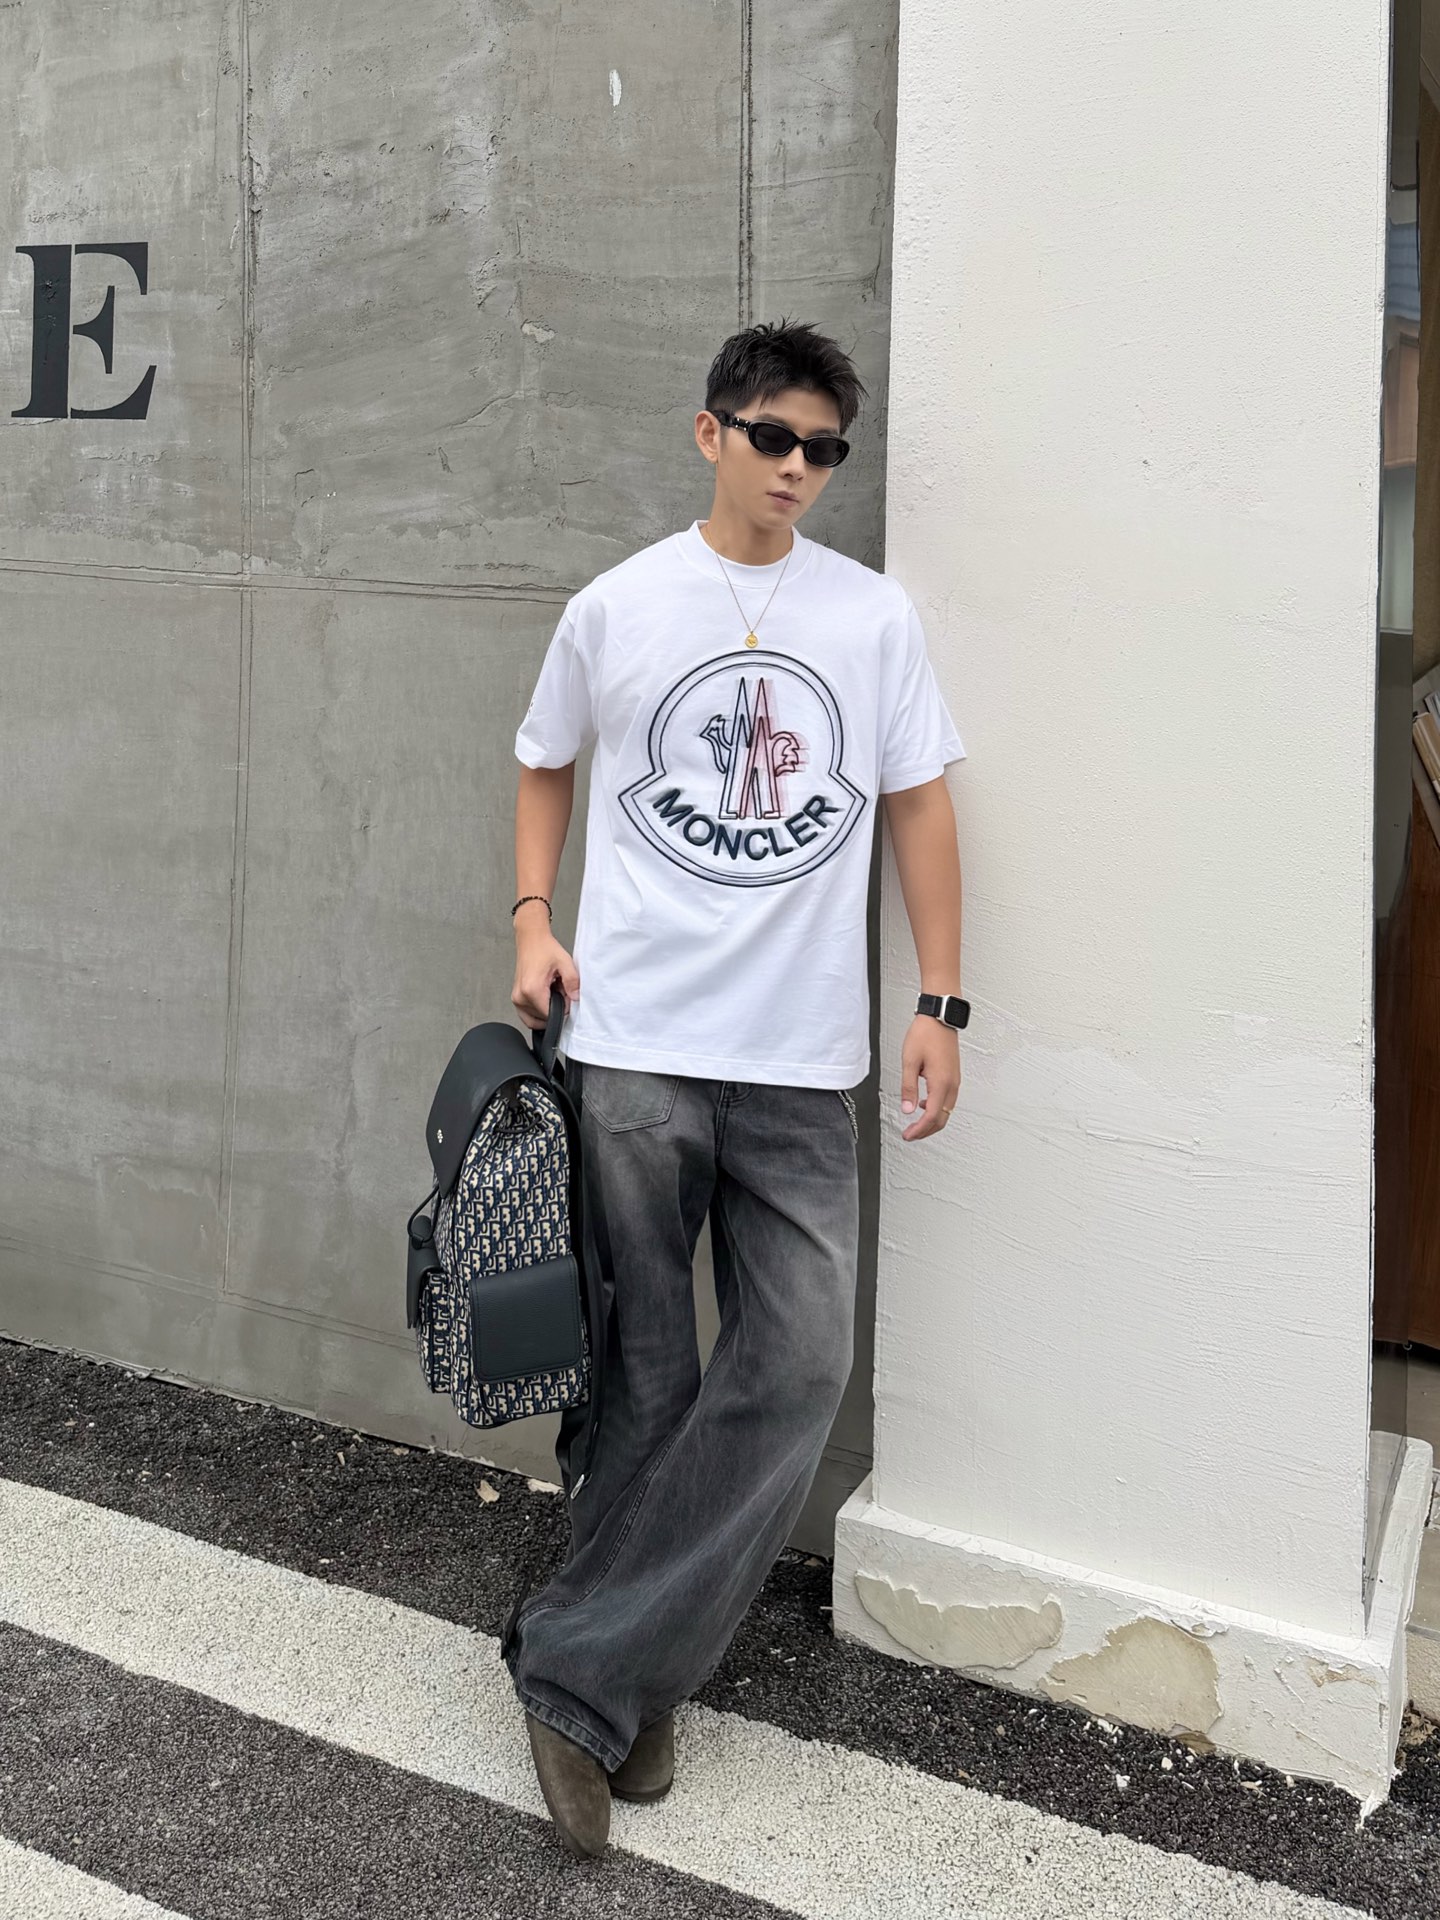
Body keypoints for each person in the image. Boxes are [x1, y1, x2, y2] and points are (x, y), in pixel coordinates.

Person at [500, 319, 967, 1859]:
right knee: (648, 1378)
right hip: (637, 1042)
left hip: (801, 1061)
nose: (798, 469)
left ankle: (580, 1658)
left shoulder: (871, 619)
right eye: (774, 438)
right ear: (711, 433)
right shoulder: (620, 604)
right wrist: (532, 918)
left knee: (800, 1362)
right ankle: (626, 1689)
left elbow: (919, 807)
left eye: (825, 449)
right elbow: (546, 759)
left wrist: (941, 999)